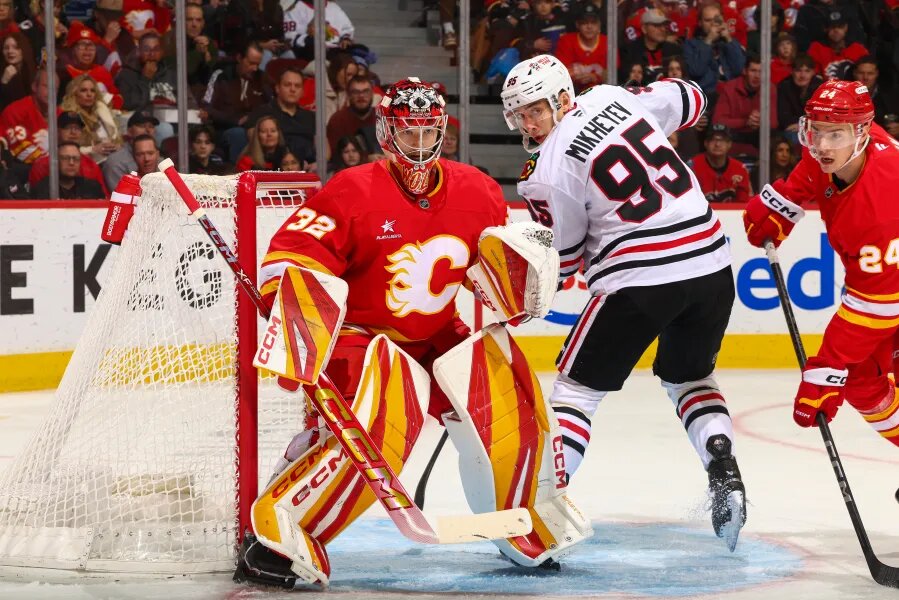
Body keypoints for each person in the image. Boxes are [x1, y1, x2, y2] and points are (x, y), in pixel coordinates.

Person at [234, 77, 590, 587]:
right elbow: (291, 259)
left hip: (436, 333)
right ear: (386, 133)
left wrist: (518, 280)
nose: (420, 144)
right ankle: (283, 528)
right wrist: (296, 313)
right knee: (385, 417)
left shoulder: (479, 190)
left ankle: (520, 518)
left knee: (506, 392)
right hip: (360, 334)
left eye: (429, 132)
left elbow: (488, 271)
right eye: (409, 132)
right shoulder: (351, 190)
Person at [501, 54, 746, 549]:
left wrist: (525, 284)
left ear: (562, 99)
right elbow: (692, 97)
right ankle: (724, 467)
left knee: (575, 392)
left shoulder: (545, 170)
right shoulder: (612, 96)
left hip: (638, 278)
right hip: (713, 266)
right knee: (689, 377)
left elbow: (564, 258)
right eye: (519, 114)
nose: (528, 123)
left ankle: (541, 510)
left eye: (535, 110)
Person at [743, 79, 899, 449]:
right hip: (886, 281)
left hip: (887, 287)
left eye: (835, 135)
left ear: (862, 133)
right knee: (861, 377)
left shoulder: (881, 200)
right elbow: (812, 169)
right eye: (817, 131)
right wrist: (785, 201)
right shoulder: (838, 147)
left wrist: (827, 366)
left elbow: (877, 304)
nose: (823, 145)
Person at [200, 41, 269, 162]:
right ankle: (238, 172)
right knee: (238, 134)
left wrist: (251, 120)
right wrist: (236, 120)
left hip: (254, 127)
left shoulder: (261, 78)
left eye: (258, 64)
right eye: (251, 63)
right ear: (239, 58)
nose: (255, 68)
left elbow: (271, 107)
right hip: (224, 129)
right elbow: (206, 108)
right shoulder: (221, 76)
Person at [713, 55, 778, 158]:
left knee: (774, 137)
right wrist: (746, 122)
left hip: (758, 135)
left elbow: (774, 123)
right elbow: (718, 121)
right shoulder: (729, 88)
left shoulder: (770, 88)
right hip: (734, 134)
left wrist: (761, 121)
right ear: (745, 71)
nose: (757, 76)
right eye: (753, 71)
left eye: (761, 72)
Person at [28, 112, 108, 195]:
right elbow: (36, 197)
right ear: (57, 132)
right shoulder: (41, 166)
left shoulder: (91, 165)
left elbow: (103, 199)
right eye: (68, 128)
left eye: (77, 128)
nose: (73, 132)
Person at [0, 66, 56, 165]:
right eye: (46, 86)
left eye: (55, 88)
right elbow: (22, 153)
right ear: (34, 86)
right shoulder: (15, 111)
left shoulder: (60, 114)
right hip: (22, 168)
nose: (51, 92)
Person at [60, 74, 122, 164]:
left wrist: (116, 146)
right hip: (84, 163)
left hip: (111, 159)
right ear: (74, 93)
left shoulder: (101, 110)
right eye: (83, 90)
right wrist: (92, 150)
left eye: (92, 91)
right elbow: (64, 148)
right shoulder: (69, 116)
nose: (89, 94)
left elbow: (115, 138)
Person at [690, 124, 752, 203]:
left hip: (732, 211)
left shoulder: (740, 168)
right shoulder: (692, 166)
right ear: (706, 143)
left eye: (722, 140)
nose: (717, 144)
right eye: (713, 140)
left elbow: (743, 202)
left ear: (729, 144)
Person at [618, 8, 679, 86]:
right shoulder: (629, 52)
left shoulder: (674, 51)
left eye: (664, 25)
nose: (663, 29)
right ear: (644, 29)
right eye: (657, 25)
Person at [102, 109, 158, 191]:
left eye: (151, 126)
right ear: (129, 131)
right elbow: (121, 196)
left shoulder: (158, 157)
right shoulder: (116, 162)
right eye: (141, 126)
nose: (147, 130)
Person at [807, 9, 869, 80]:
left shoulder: (858, 49)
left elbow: (867, 75)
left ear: (846, 27)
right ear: (826, 29)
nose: (836, 30)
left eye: (840, 26)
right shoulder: (816, 48)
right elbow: (813, 77)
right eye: (832, 27)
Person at [30, 142, 105, 200]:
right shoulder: (42, 189)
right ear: (56, 161)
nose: (71, 163)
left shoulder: (92, 187)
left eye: (76, 159)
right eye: (65, 158)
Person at [0, 31, 34, 105]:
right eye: (6, 48)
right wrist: (4, 81)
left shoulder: (32, 72)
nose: (10, 51)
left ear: (24, 49)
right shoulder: (2, 72)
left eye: (15, 47)